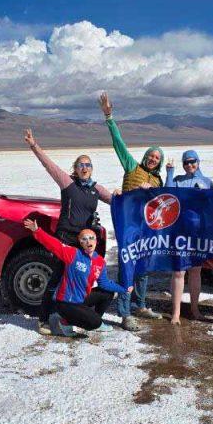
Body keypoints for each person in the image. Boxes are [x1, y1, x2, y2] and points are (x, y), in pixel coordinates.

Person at [24, 129, 112, 334]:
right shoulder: (68, 183)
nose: (85, 167)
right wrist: (33, 145)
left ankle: (72, 315)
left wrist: (131, 195)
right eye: (81, 164)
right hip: (66, 238)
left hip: (83, 242)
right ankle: (44, 319)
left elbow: (116, 201)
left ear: (92, 168)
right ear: (75, 168)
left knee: (80, 280)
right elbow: (49, 166)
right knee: (57, 279)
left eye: (88, 164)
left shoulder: (95, 189)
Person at [99, 92, 165, 329]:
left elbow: (162, 204)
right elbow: (118, 143)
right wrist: (109, 117)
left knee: (143, 267)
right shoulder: (131, 166)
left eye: (156, 158)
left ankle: (141, 304)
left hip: (147, 229)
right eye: (150, 155)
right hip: (129, 227)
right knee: (127, 265)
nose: (152, 159)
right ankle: (125, 312)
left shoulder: (158, 181)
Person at [22, 218, 131, 337]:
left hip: (81, 299)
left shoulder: (99, 261)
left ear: (96, 241)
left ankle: (90, 319)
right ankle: (66, 321)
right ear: (80, 242)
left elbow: (104, 283)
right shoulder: (73, 254)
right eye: (84, 239)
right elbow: (54, 245)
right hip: (66, 302)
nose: (88, 241)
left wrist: (123, 288)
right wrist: (37, 231)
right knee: (95, 322)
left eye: (91, 238)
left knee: (107, 293)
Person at [164, 150, 213, 324]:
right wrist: (169, 172)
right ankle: (176, 312)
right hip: (180, 232)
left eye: (192, 161)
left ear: (198, 162)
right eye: (186, 162)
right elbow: (167, 192)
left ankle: (194, 309)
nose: (189, 165)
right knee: (178, 272)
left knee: (195, 271)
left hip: (199, 234)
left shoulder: (207, 182)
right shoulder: (178, 181)